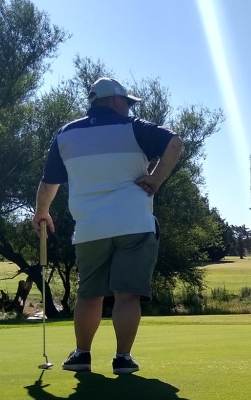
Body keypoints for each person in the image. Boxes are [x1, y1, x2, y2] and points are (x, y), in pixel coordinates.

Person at [32, 77, 183, 374]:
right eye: (127, 103)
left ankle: (81, 355)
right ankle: (122, 358)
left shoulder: (66, 134)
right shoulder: (134, 127)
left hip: (90, 228)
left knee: (90, 294)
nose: (128, 108)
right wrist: (155, 178)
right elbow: (175, 142)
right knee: (127, 294)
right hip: (134, 224)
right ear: (116, 101)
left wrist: (42, 211)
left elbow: (49, 181)